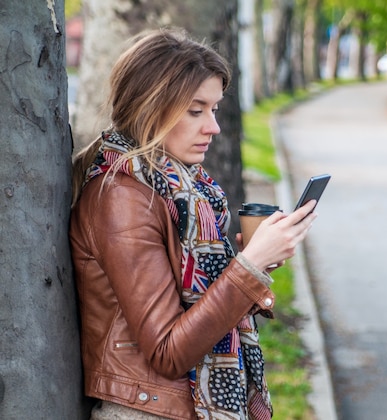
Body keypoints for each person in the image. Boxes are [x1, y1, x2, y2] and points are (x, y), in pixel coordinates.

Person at [69, 28, 316, 420]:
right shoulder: (123, 197)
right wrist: (246, 269)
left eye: (214, 109)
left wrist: (255, 261)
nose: (213, 127)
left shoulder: (183, 189)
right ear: (151, 108)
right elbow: (168, 352)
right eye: (195, 110)